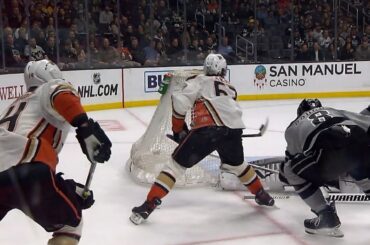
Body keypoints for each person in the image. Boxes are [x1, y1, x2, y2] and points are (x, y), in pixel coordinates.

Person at [130, 53, 275, 225]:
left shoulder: (199, 80)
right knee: (238, 165)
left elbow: (179, 104)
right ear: (223, 70)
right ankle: (262, 195)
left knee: (174, 166)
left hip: (208, 130)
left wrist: (178, 131)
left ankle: (148, 205)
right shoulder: (230, 87)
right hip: (234, 131)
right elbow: (227, 111)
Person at [0, 59, 112, 245]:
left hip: (14, 174)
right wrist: (84, 127)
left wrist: (70, 189)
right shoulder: (47, 88)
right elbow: (61, 93)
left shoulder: (16, 105)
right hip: (26, 167)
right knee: (70, 226)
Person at [279, 99, 370, 237]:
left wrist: (282, 175)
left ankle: (326, 216)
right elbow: (365, 121)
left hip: (329, 156)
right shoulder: (334, 111)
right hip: (359, 143)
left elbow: (290, 160)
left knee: (290, 170)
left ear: (299, 113)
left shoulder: (292, 127)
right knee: (355, 152)